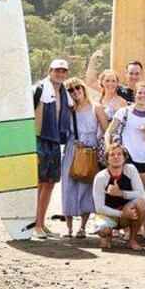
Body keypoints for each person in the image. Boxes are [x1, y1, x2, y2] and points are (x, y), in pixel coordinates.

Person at [104, 81, 145, 235]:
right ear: (135, 95)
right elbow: (109, 131)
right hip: (126, 157)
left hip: (143, 159)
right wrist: (109, 149)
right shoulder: (123, 112)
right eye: (139, 93)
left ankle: (143, 228)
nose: (142, 96)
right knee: (124, 194)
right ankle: (125, 229)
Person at [60, 77, 108, 238]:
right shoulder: (68, 110)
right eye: (70, 90)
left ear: (83, 87)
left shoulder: (96, 107)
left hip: (90, 149)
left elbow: (107, 130)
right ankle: (68, 228)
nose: (75, 91)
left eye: (77, 87)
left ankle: (82, 227)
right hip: (73, 147)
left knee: (86, 187)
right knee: (68, 187)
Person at [32, 58, 73, 239]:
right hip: (39, 139)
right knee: (39, 183)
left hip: (56, 141)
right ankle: (35, 224)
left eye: (63, 71)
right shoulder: (39, 89)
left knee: (50, 183)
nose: (60, 74)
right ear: (50, 71)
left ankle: (41, 221)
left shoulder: (65, 93)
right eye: (57, 70)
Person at [92, 142, 145, 250]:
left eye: (119, 154)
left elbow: (140, 193)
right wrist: (121, 214)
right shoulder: (101, 177)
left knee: (141, 203)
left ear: (124, 158)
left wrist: (121, 193)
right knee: (104, 233)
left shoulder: (131, 169)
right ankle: (108, 235)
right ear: (107, 159)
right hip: (108, 214)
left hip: (127, 212)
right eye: (112, 155)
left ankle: (132, 240)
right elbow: (99, 208)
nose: (116, 157)